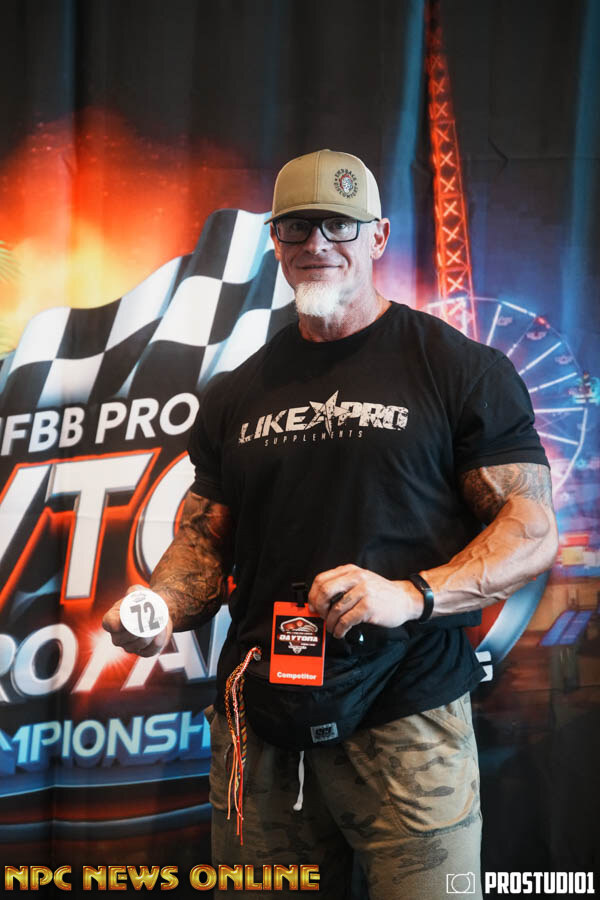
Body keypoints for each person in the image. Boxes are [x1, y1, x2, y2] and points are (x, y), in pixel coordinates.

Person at [103, 149, 558, 899]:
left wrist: (411, 594)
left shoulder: (457, 369)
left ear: (378, 237)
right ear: (276, 242)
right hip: (263, 719)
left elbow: (531, 529)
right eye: (298, 226)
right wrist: (160, 606)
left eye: (340, 225)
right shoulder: (236, 394)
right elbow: (204, 539)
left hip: (407, 714)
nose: (317, 243)